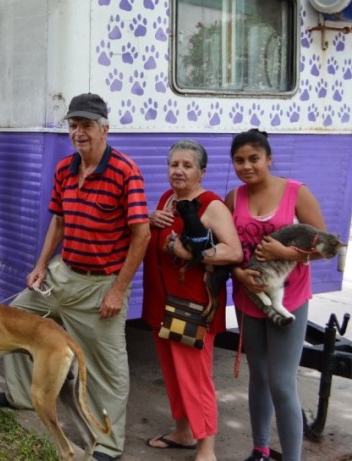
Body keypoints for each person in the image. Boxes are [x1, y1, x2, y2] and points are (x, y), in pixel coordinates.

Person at [0, 93, 150, 461]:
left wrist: (117, 290)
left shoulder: (126, 171)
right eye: (74, 125)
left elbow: (142, 235)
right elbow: (58, 221)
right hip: (62, 274)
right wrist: (41, 264)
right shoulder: (65, 168)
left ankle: (107, 443)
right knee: (13, 319)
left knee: (106, 370)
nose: (79, 133)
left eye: (87, 126)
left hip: (100, 286)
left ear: (105, 129)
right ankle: (20, 397)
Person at [224, 129, 326, 461]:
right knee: (259, 376)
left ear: (269, 159)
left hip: (288, 299)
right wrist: (239, 273)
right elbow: (229, 251)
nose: (247, 166)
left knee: (282, 383)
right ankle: (260, 450)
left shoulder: (297, 193)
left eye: (254, 158)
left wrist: (288, 252)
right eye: (239, 160)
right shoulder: (233, 198)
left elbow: (325, 247)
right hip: (249, 299)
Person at [143, 140, 243, 461]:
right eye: (174, 164)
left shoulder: (211, 205)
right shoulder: (167, 199)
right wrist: (150, 219)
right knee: (174, 374)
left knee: (196, 378)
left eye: (187, 165)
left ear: (202, 171)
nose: (179, 171)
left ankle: (207, 449)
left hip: (192, 307)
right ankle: (183, 431)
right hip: (163, 303)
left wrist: (194, 252)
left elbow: (234, 251)